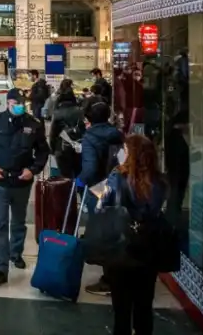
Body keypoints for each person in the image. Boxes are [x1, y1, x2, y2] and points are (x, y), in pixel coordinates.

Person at [0, 89, 49, 285]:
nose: (19, 106)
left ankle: (15, 254)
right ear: (8, 103)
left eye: (22, 103)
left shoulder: (33, 125)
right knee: (0, 224)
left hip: (21, 182)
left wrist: (33, 170)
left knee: (18, 221)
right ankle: (0, 267)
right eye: (15, 103)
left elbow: (43, 151)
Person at [101, 135, 167, 335]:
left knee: (121, 310)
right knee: (144, 307)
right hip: (148, 248)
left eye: (125, 150)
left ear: (131, 154)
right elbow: (155, 211)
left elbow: (102, 206)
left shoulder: (116, 177)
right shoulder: (160, 182)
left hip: (120, 247)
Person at [78, 101, 124, 296]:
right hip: (117, 186)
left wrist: (80, 181)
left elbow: (89, 169)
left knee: (100, 232)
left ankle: (109, 280)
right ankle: (117, 273)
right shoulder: (117, 134)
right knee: (115, 231)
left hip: (98, 188)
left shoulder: (90, 138)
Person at [48, 82, 85, 178]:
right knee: (78, 173)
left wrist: (52, 149)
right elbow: (84, 130)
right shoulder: (80, 111)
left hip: (62, 148)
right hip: (78, 148)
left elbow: (53, 133)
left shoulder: (57, 113)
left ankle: (68, 191)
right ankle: (79, 190)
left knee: (65, 176)